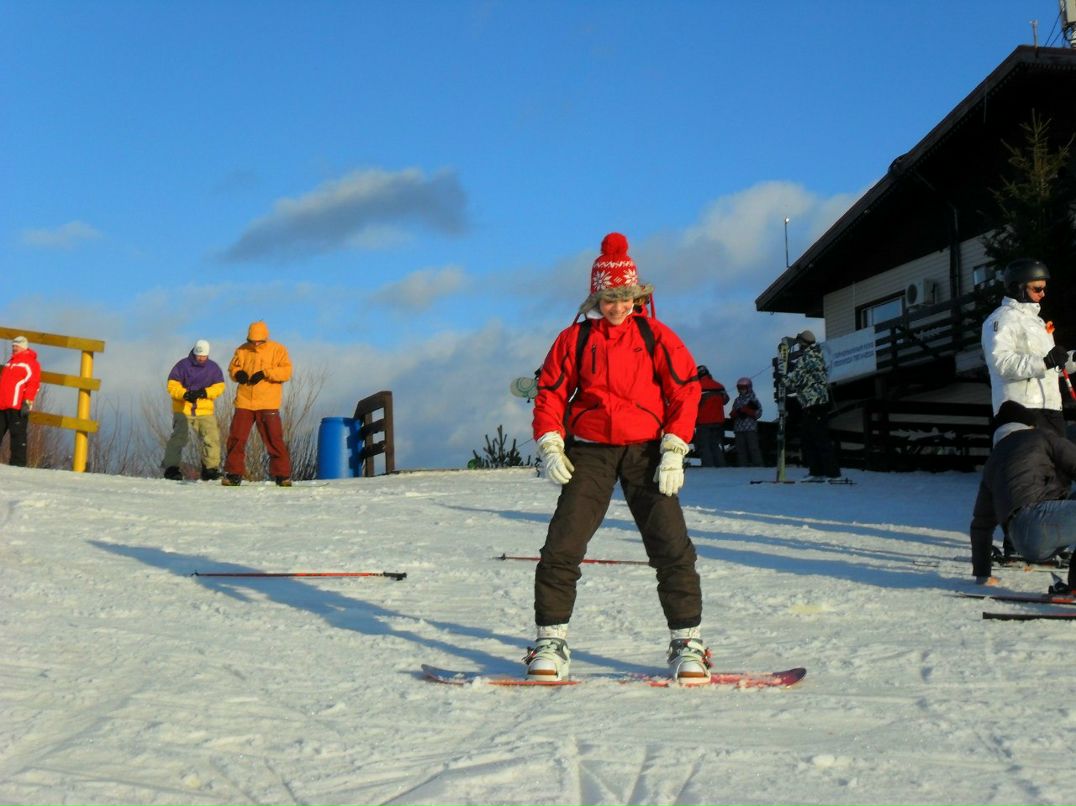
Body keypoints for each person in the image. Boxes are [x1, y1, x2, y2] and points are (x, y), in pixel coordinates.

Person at [528, 232, 707, 684]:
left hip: (647, 451)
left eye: (625, 296)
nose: (617, 305)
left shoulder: (656, 336)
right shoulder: (575, 339)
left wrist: (674, 446)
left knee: (670, 545)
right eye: (609, 297)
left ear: (636, 295)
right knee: (562, 545)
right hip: (590, 451)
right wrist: (550, 441)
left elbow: (685, 389)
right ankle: (551, 641)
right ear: (596, 297)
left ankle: (688, 642)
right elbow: (550, 389)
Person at [969, 401, 1076, 590]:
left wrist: (982, 574)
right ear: (1029, 425)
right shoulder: (1041, 436)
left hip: (1020, 540)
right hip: (1042, 520)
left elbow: (981, 525)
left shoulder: (993, 462)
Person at [981, 258, 1070, 440]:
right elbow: (1001, 363)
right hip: (1021, 410)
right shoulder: (1000, 320)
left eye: (1044, 288)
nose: (1043, 294)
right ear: (1017, 288)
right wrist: (1046, 361)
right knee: (1032, 464)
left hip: (1051, 408)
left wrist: (1069, 360)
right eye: (1037, 289)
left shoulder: (1038, 323)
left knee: (1059, 466)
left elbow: (1047, 368)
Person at [221, 321, 293, 487]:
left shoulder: (278, 349)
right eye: (253, 340)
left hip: (268, 402)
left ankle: (282, 476)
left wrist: (265, 374)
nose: (256, 343)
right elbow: (233, 368)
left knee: (274, 439)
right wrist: (238, 374)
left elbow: (286, 372)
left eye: (259, 341)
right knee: (236, 438)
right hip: (244, 401)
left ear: (265, 338)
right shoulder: (242, 349)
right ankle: (233, 474)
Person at [162, 340, 226, 481]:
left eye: (203, 356)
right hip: (183, 408)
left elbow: (220, 386)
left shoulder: (213, 368)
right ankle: (171, 468)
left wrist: (205, 393)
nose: (201, 358)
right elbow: (172, 385)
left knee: (212, 438)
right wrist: (184, 394)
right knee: (179, 437)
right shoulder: (182, 366)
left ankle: (210, 469)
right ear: (194, 353)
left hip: (205, 410)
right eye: (198, 355)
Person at [782, 330, 841, 481]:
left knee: (819, 439)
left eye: (799, 342)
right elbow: (803, 380)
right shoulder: (817, 355)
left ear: (802, 343)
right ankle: (817, 472)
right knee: (809, 438)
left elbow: (795, 379)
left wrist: (783, 379)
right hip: (814, 403)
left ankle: (832, 474)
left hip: (814, 404)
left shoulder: (808, 357)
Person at [0, 335, 41, 467]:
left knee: (17, 437)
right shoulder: (9, 363)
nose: (13, 348)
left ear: (23, 347)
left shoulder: (30, 363)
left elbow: (33, 383)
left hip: (17, 406)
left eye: (16, 346)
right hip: (2, 405)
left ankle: (18, 465)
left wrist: (27, 402)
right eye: (12, 346)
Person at [694, 365, 728, 467]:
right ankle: (720, 465)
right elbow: (726, 400)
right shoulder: (719, 386)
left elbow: (693, 403)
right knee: (715, 445)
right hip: (718, 421)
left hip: (703, 421)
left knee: (704, 446)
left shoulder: (697, 386)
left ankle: (708, 466)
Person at [729, 376, 764, 467]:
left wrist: (748, 411)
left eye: (743, 388)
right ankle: (742, 465)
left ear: (749, 388)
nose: (741, 390)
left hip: (750, 428)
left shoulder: (754, 400)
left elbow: (758, 413)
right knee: (741, 449)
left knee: (753, 448)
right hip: (739, 428)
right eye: (740, 388)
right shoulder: (737, 400)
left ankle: (758, 465)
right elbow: (733, 412)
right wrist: (736, 413)